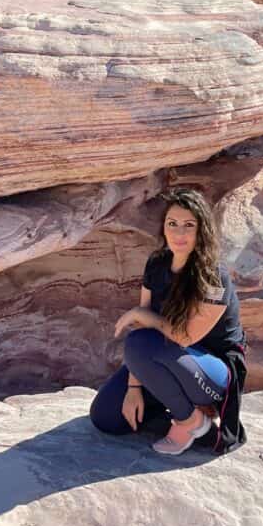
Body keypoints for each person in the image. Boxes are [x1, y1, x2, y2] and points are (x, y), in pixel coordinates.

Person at [89, 187, 247, 456]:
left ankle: (191, 421)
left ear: (202, 230)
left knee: (142, 341)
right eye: (172, 224)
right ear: (163, 228)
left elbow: (185, 338)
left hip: (212, 372)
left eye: (188, 225)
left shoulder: (213, 276)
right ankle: (199, 426)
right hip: (165, 358)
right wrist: (134, 388)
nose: (179, 233)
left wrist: (141, 315)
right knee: (106, 417)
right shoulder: (157, 263)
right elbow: (143, 331)